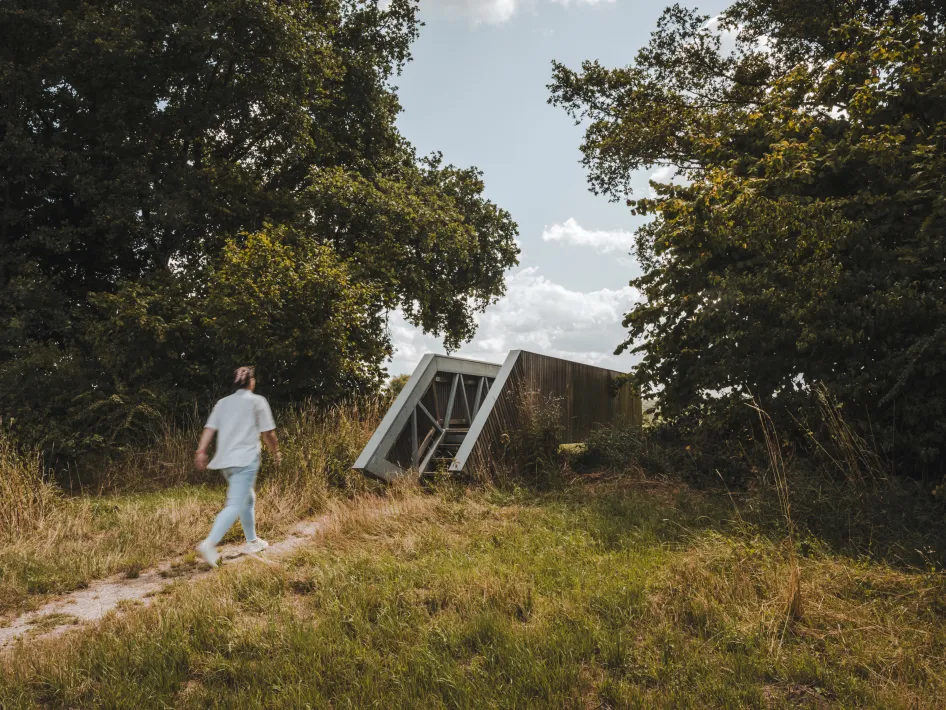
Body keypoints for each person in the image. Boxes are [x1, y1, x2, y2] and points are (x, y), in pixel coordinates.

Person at [194, 366, 281, 568]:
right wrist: (276, 453)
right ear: (251, 382)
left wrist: (201, 451)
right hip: (246, 460)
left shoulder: (223, 403)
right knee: (235, 504)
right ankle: (209, 544)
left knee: (247, 498)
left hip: (225, 462)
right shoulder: (257, 401)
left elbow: (209, 429)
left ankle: (252, 541)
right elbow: (269, 434)